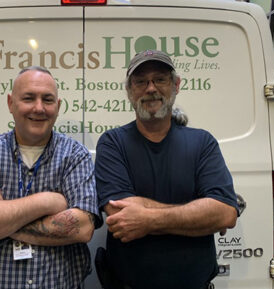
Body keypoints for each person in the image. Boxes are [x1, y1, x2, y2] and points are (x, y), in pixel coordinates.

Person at [95, 50, 239, 289]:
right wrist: (200, 214)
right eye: (141, 81)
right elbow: (120, 215)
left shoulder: (203, 142)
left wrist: (146, 218)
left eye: (160, 79)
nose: (151, 88)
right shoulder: (113, 143)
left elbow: (225, 214)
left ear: (176, 85)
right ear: (129, 91)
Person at [0, 66, 101, 289]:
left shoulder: (75, 155)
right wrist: (47, 202)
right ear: (11, 103)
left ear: (58, 107)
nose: (39, 108)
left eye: (48, 100)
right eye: (29, 98)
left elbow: (82, 227)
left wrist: (0, 215)